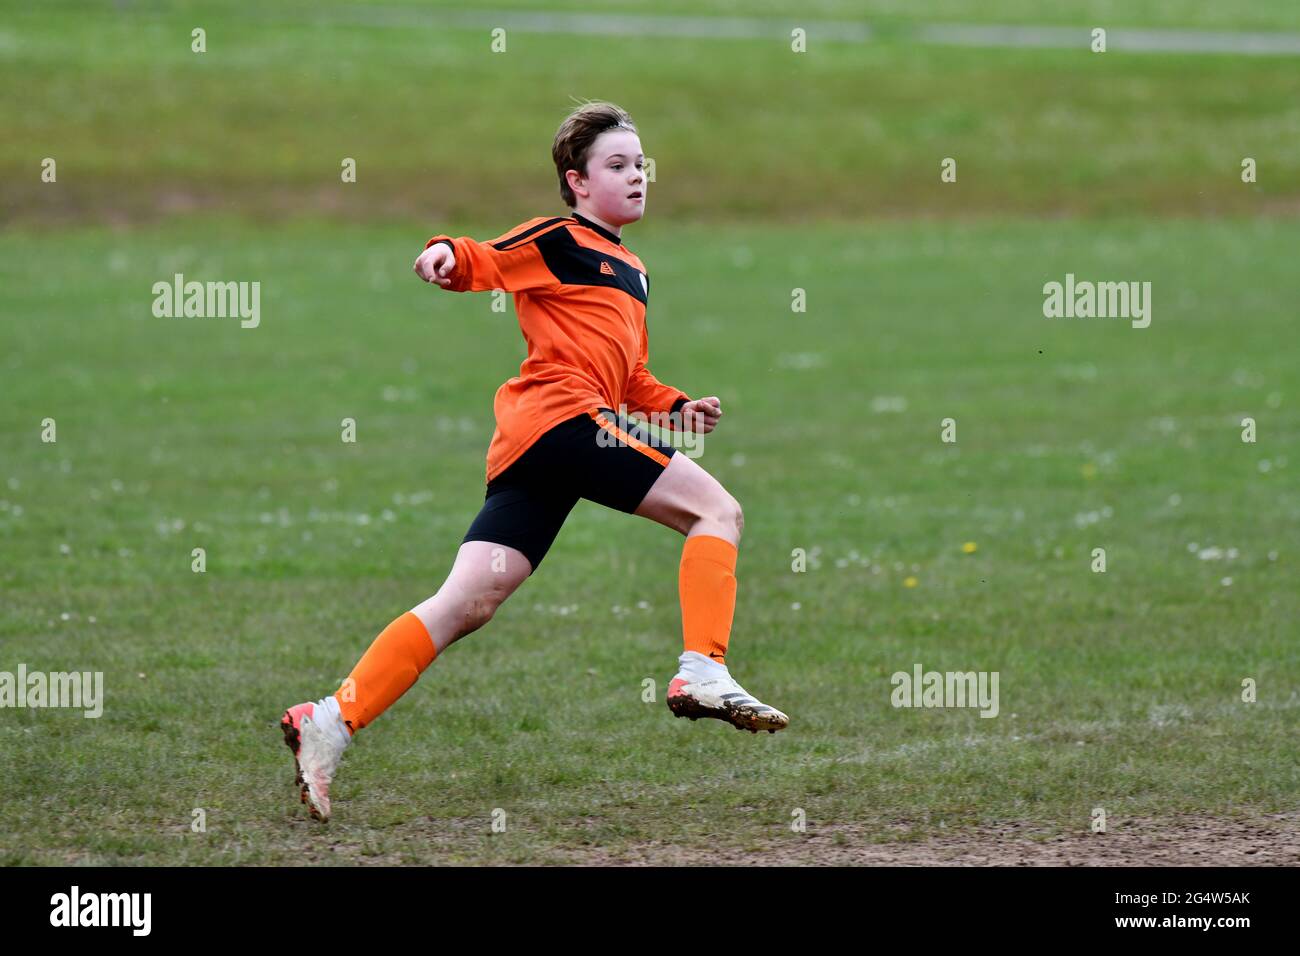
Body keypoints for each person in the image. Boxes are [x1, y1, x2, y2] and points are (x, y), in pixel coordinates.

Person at [280, 101, 788, 821]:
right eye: (617, 165)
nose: (636, 176)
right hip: (566, 424)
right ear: (578, 182)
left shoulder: (633, 271)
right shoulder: (560, 238)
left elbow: (626, 376)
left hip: (539, 444)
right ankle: (703, 668)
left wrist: (674, 407)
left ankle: (328, 720)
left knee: (467, 602)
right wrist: (445, 256)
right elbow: (484, 258)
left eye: (641, 164)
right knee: (717, 510)